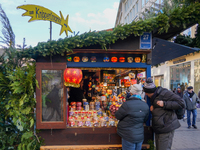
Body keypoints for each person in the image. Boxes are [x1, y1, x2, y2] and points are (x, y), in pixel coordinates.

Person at [143, 78, 185, 150]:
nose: (146, 94)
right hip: (159, 128)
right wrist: (154, 109)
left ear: (150, 92)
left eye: (146, 93)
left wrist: (164, 104)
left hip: (166, 127)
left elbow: (181, 103)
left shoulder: (165, 93)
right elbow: (159, 109)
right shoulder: (154, 96)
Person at [115, 84, 149, 150]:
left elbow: (117, 116)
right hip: (139, 136)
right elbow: (145, 119)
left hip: (128, 135)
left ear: (131, 92)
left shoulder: (127, 104)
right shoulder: (145, 105)